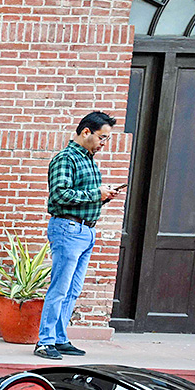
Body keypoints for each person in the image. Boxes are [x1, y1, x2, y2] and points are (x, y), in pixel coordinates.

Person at [33, 111, 122, 360]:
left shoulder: (90, 161)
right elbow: (59, 196)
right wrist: (97, 194)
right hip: (68, 229)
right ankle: (45, 341)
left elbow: (84, 197)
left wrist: (103, 197)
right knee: (60, 288)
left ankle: (59, 339)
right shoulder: (65, 159)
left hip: (86, 229)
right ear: (86, 132)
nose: (104, 143)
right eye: (102, 137)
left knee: (73, 290)